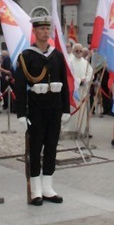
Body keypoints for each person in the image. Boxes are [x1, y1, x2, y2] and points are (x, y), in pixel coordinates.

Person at [13, 16, 71, 206]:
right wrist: (21, 113)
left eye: (48, 29)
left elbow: (64, 84)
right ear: (35, 32)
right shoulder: (27, 56)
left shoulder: (57, 55)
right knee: (36, 147)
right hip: (36, 108)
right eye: (42, 29)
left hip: (54, 107)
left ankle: (48, 187)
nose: (46, 32)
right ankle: (36, 188)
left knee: (52, 146)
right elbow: (20, 87)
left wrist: (65, 108)